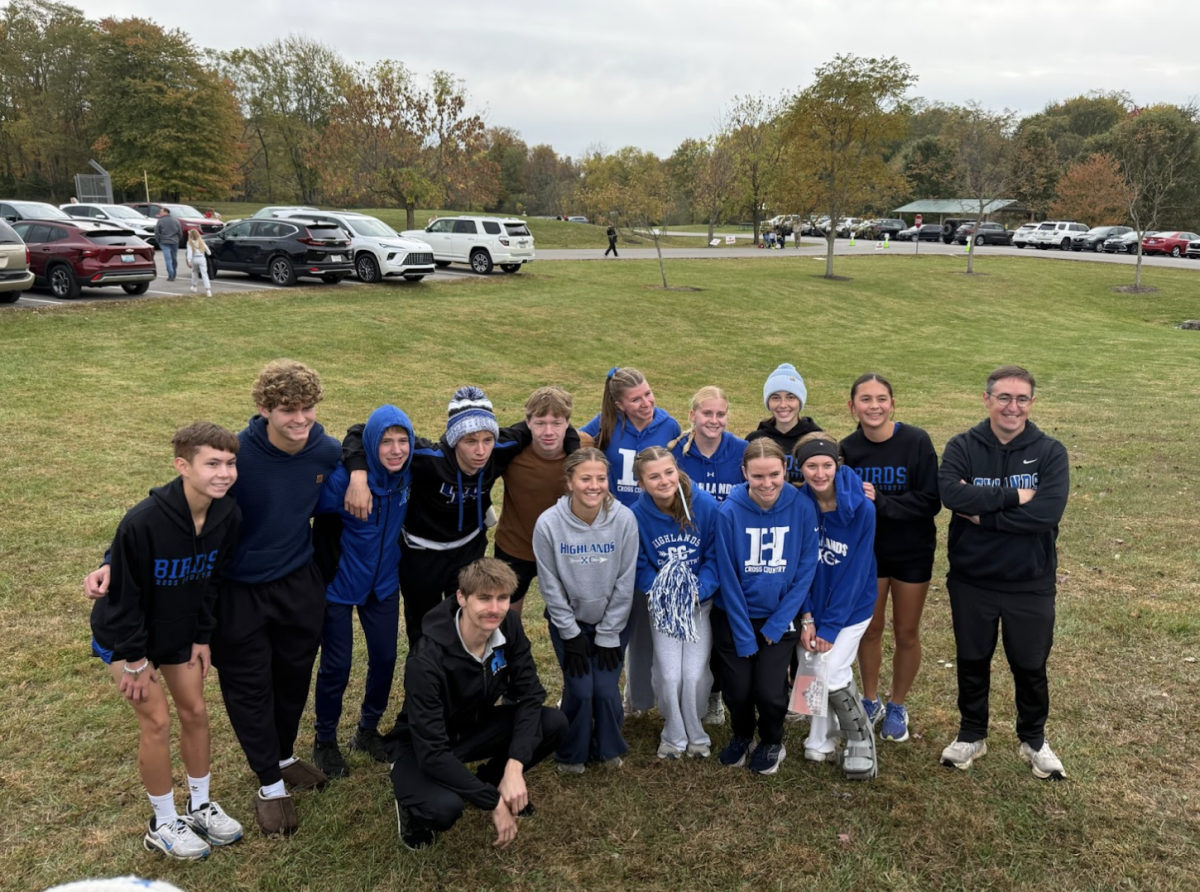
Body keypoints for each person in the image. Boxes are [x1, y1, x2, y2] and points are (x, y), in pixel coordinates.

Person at [86, 360, 343, 836]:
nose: (301, 419)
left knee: (292, 677)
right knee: (249, 687)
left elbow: (360, 447)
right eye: (288, 410)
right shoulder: (236, 456)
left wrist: (364, 472)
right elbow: (168, 504)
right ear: (264, 409)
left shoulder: (325, 452)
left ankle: (284, 756)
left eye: (308, 408)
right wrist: (109, 560)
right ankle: (269, 784)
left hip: (297, 585)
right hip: (235, 591)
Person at [88, 422, 245, 860]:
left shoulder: (227, 514)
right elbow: (123, 599)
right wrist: (137, 660)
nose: (224, 473)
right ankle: (162, 821)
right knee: (156, 720)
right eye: (211, 463)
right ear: (182, 466)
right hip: (127, 636)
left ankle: (199, 807)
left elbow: (212, 582)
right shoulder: (143, 521)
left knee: (195, 710)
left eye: (230, 463)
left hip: (179, 633)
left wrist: (201, 637)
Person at [938, 366, 1070, 780]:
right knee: (972, 659)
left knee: (1029, 664)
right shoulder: (963, 445)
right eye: (1004, 398)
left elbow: (1046, 513)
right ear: (987, 399)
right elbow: (951, 494)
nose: (1012, 407)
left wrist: (985, 515)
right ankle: (971, 733)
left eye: (1021, 399)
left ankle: (1033, 739)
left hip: (1029, 582)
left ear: (1032, 403)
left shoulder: (1050, 452)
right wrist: (1015, 496)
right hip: (972, 578)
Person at [388, 558, 568, 851]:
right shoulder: (426, 660)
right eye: (484, 598)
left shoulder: (509, 625)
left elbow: (531, 695)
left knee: (553, 723)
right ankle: (412, 807)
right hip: (421, 746)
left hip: (474, 726)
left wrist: (514, 765)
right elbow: (432, 752)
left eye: (503, 598)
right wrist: (494, 803)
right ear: (461, 598)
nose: (495, 609)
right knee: (444, 808)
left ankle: (492, 779)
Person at [342, 386, 531, 648]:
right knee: (423, 629)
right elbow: (361, 432)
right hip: (422, 556)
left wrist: (569, 441)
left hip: (468, 551)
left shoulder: (500, 449)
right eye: (470, 441)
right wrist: (358, 474)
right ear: (454, 441)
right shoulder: (428, 458)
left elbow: (543, 424)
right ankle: (422, 681)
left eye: (487, 440)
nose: (481, 451)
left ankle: (461, 681)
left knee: (469, 624)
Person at [309, 405, 414, 780]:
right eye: (386, 441)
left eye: (403, 441)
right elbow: (304, 509)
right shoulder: (343, 481)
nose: (396, 450)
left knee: (385, 659)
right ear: (372, 445)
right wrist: (355, 472)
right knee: (337, 666)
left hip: (383, 586)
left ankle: (366, 731)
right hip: (338, 588)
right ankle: (325, 740)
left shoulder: (408, 474)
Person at [839, 373, 941, 743]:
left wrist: (882, 501)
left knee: (906, 631)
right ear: (852, 407)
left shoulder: (915, 441)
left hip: (913, 550)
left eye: (881, 398)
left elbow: (931, 501)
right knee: (870, 628)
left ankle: (898, 703)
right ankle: (869, 699)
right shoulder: (847, 449)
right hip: (870, 553)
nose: (874, 406)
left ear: (892, 403)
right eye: (865, 399)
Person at [713, 439, 818, 775]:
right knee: (739, 691)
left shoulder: (801, 507)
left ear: (785, 470)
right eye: (758, 476)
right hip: (736, 616)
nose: (767, 483)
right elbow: (727, 578)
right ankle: (742, 735)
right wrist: (744, 635)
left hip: (778, 618)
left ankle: (773, 739)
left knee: (770, 692)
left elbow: (805, 570)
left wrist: (777, 624)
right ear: (744, 473)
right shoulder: (729, 511)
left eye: (774, 474)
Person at [580, 367, 681, 716]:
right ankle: (592, 687)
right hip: (610, 525)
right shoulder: (605, 424)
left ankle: (637, 697)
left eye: (648, 394)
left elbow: (671, 474)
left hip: (648, 526)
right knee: (604, 607)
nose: (646, 403)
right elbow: (578, 441)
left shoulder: (668, 425)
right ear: (619, 404)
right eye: (636, 399)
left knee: (639, 612)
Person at [533, 448, 638, 775]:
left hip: (614, 622)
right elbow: (550, 585)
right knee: (579, 688)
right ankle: (571, 752)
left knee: (605, 689)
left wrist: (608, 634)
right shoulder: (548, 524)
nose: (594, 486)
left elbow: (626, 580)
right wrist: (570, 632)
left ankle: (607, 747)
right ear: (569, 483)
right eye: (585, 479)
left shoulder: (624, 519)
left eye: (601, 478)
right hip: (569, 624)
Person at [794, 432, 880, 780]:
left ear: (837, 465)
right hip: (812, 607)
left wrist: (829, 626)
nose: (819, 473)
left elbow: (857, 573)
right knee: (811, 666)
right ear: (800, 468)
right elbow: (799, 569)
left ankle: (861, 739)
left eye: (826, 465)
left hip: (852, 607)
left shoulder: (863, 507)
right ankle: (819, 739)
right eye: (811, 466)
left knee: (829, 670)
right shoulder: (798, 505)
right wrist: (808, 618)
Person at [632, 447, 720, 759]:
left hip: (698, 604)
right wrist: (664, 589)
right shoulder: (637, 514)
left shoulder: (705, 505)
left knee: (694, 673)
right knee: (669, 674)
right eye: (653, 476)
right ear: (641, 483)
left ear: (677, 471)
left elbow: (715, 556)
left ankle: (695, 730)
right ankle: (673, 732)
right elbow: (639, 564)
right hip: (664, 605)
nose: (664, 480)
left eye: (668, 472)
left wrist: (700, 587)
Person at [669, 385, 748, 725]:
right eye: (707, 413)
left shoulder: (741, 450)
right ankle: (700, 693)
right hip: (694, 552)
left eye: (720, 414)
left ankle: (716, 694)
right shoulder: (677, 454)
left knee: (725, 628)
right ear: (692, 416)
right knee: (700, 630)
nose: (714, 420)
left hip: (735, 553)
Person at [493, 386, 593, 617]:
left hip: (565, 548)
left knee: (567, 614)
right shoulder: (512, 453)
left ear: (567, 422)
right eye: (540, 423)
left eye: (556, 423)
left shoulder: (585, 447)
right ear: (527, 422)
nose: (548, 431)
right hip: (515, 545)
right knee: (505, 616)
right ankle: (504, 653)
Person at [746, 363, 822, 486]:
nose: (783, 405)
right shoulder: (755, 440)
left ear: (800, 401)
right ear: (768, 402)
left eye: (790, 397)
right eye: (775, 398)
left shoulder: (818, 439)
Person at [154, 209, 182, 282]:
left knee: (167, 259)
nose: (160, 213)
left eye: (161, 212)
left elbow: (156, 232)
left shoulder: (160, 221)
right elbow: (180, 232)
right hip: (174, 241)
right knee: (174, 258)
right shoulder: (176, 220)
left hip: (164, 241)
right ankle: (174, 273)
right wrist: (178, 240)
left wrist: (158, 241)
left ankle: (171, 274)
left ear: (166, 212)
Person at [184, 229, 212, 297]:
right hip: (202, 258)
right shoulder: (201, 241)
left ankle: (194, 286)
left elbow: (189, 252)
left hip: (194, 259)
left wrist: (189, 260)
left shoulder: (189, 242)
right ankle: (208, 290)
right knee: (204, 274)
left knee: (194, 272)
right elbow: (208, 251)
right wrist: (208, 253)